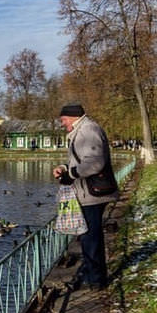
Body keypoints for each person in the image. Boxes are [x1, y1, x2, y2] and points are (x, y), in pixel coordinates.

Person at [52, 104, 119, 290]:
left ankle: (96, 281)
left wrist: (70, 174)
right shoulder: (81, 131)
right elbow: (80, 159)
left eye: (63, 119)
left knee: (90, 236)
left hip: (92, 193)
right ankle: (94, 276)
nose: (62, 123)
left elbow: (95, 163)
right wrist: (65, 168)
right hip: (87, 192)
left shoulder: (88, 130)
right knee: (88, 235)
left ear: (73, 117)